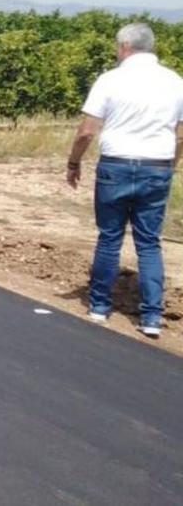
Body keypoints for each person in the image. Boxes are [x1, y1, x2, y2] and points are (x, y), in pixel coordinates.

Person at [66, 23, 183, 338]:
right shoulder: (175, 82)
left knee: (109, 237)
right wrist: (171, 164)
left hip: (116, 165)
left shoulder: (110, 80)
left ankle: (100, 306)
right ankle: (151, 317)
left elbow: (87, 130)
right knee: (148, 242)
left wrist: (73, 162)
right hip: (157, 165)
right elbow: (181, 133)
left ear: (124, 47)